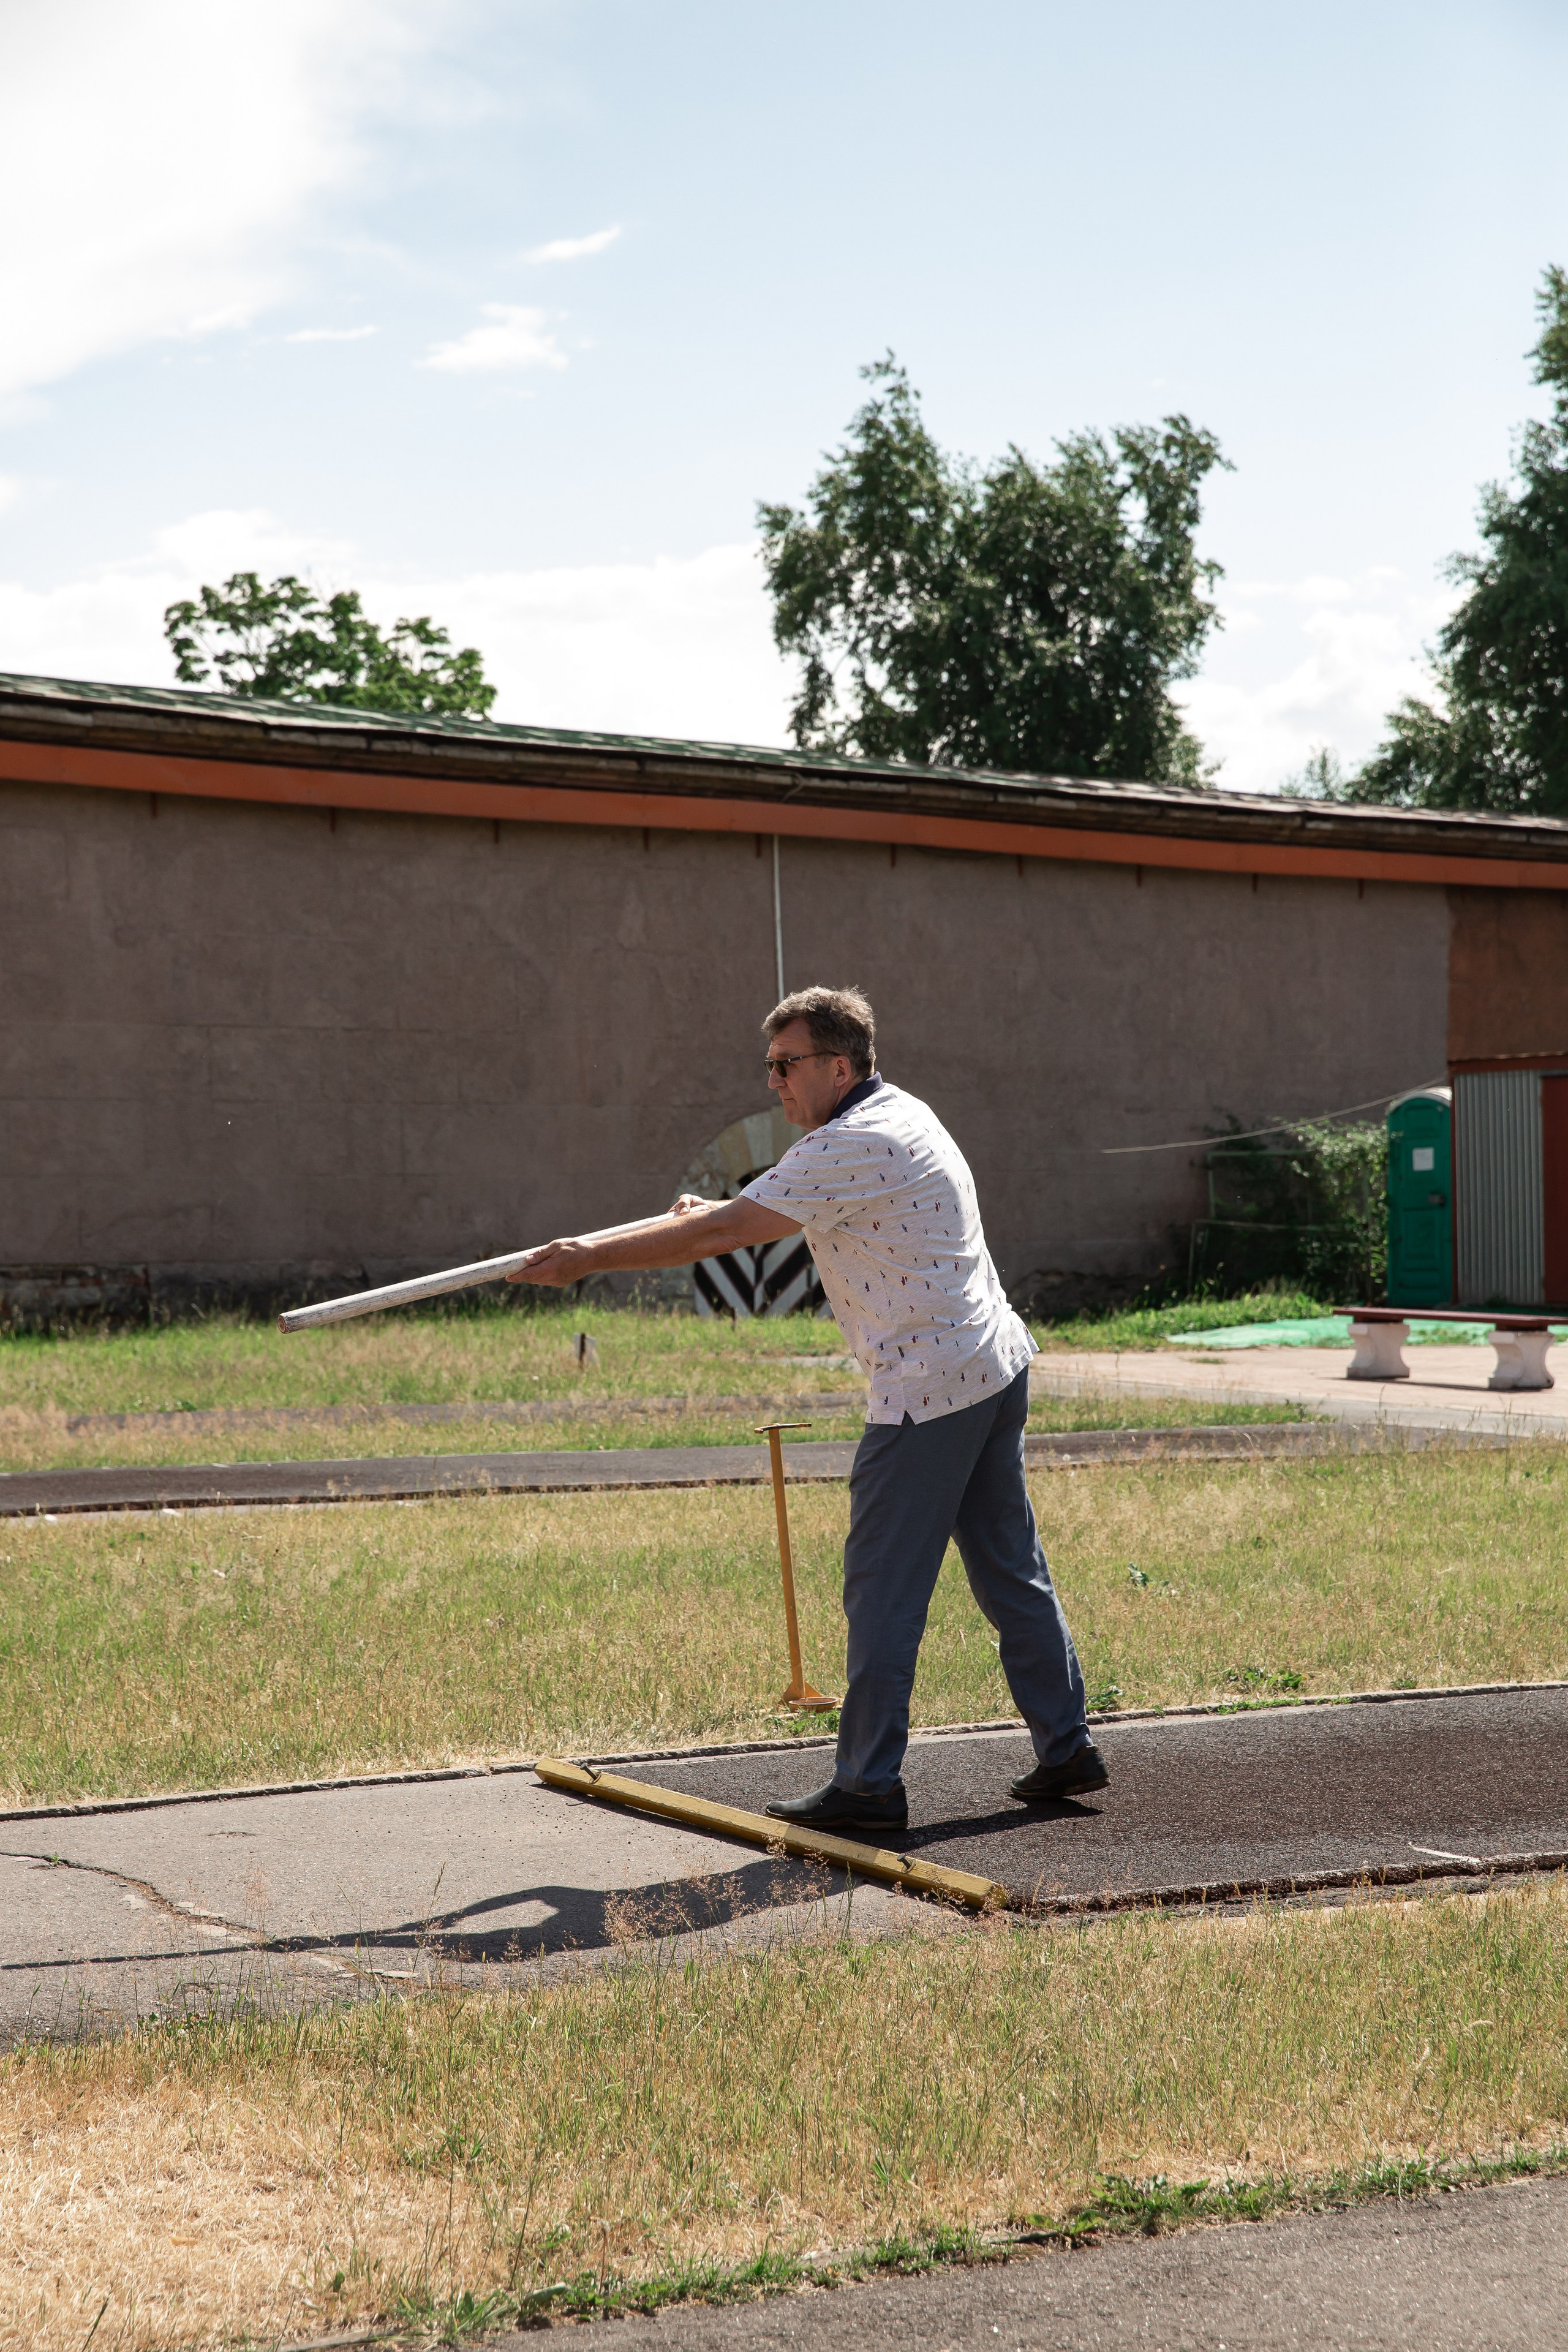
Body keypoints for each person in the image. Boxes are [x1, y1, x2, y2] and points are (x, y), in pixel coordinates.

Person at [510, 983, 1105, 1833]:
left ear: (838, 1064)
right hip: (990, 1365)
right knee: (1010, 1569)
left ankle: (869, 1787)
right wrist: (708, 1214)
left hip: (930, 1392)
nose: (773, 1083)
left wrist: (587, 1257)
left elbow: (724, 1235)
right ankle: (1067, 1746)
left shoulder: (852, 1141)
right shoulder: (896, 1114)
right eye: (769, 1067)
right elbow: (752, 1212)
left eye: (787, 1065)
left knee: (883, 1592)